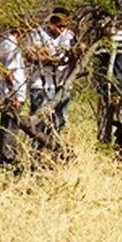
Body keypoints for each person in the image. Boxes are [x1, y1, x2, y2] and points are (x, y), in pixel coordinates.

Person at [25, 11, 78, 147]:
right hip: (41, 84)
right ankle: (37, 151)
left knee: (60, 120)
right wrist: (49, 60)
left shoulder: (69, 36)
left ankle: (54, 148)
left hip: (61, 84)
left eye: (64, 27)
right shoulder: (37, 34)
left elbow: (75, 55)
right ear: (52, 24)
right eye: (59, 26)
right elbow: (30, 56)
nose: (62, 30)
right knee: (40, 120)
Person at [93, 23, 122, 143]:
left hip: (121, 87)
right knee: (103, 119)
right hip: (103, 87)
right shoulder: (98, 40)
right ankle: (103, 145)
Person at [0, 28, 26, 165]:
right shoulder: (12, 46)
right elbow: (8, 72)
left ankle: (7, 156)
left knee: (8, 125)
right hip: (12, 94)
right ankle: (8, 158)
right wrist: (14, 94)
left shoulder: (5, 43)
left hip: (9, 92)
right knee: (10, 126)